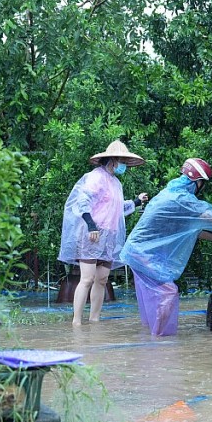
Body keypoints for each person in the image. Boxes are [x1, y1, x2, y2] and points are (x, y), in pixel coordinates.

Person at [120, 158, 212, 336]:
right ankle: (159, 340)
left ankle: (152, 337)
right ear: (198, 182)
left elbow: (186, 230)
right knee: (168, 293)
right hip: (142, 255)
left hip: (136, 253)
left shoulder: (170, 193)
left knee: (156, 297)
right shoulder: (182, 199)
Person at [58, 139, 148, 326]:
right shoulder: (96, 176)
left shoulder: (116, 183)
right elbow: (83, 201)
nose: (123, 165)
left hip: (110, 236)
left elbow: (117, 209)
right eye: (121, 161)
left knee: (102, 279)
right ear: (112, 160)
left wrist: (137, 202)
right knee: (87, 278)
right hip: (93, 234)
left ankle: (95, 320)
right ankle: (76, 322)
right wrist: (91, 226)